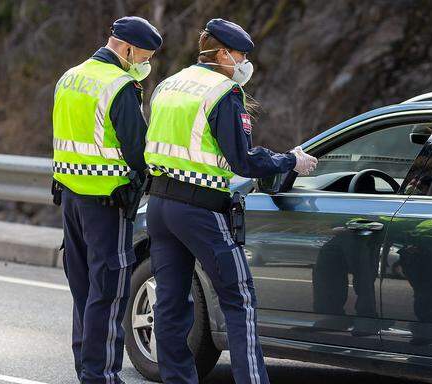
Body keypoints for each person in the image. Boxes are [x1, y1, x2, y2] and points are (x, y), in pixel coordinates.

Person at [144, 18, 317, 384]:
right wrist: (290, 161)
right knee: (240, 299)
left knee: (171, 306)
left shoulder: (167, 85)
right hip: (199, 209)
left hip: (159, 205)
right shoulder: (223, 93)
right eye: (240, 55)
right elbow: (243, 160)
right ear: (223, 53)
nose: (244, 64)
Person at [51, 16, 161, 383]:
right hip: (106, 201)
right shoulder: (120, 86)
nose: (145, 65)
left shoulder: (70, 76)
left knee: (83, 290)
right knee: (110, 292)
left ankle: (86, 368)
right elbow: (138, 150)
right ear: (128, 49)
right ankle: (102, 375)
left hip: (69, 198)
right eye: (144, 56)